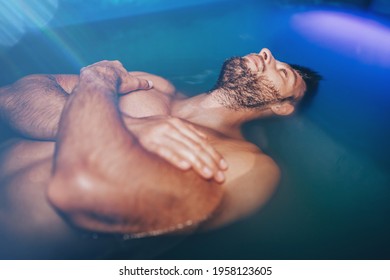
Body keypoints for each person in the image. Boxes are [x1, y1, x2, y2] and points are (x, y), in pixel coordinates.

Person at [0, 48, 320, 258]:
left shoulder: (247, 165)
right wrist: (130, 126)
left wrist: (97, 82)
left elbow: (86, 195)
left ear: (282, 107)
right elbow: (12, 96)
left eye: (282, 71)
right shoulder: (153, 86)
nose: (267, 53)